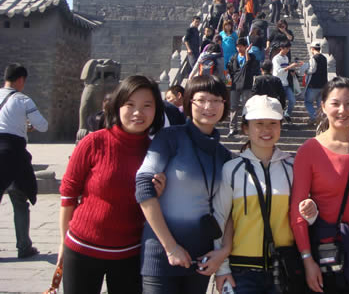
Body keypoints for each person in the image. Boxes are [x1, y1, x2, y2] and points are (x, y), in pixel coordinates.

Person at [59, 75, 165, 293]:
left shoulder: (157, 152)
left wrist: (160, 193)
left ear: (156, 111)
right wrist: (62, 242)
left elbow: (153, 205)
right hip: (82, 248)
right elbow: (68, 195)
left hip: (130, 253)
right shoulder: (93, 142)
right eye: (130, 104)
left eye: (147, 105)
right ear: (117, 106)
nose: (138, 112)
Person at [135, 75, 233, 294]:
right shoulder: (169, 138)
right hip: (161, 255)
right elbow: (143, 186)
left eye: (216, 100)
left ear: (224, 105)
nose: (208, 107)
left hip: (202, 259)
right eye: (201, 100)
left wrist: (224, 251)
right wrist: (171, 247)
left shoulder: (224, 156)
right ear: (189, 102)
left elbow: (229, 209)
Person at [291, 77, 349, 293]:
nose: (342, 110)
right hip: (326, 252)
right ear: (323, 106)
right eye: (335, 103)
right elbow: (297, 211)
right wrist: (307, 259)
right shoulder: (309, 150)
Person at [213, 95, 307, 293]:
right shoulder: (232, 169)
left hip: (284, 268)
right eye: (259, 124)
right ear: (246, 128)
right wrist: (222, 268)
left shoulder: (293, 167)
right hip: (242, 270)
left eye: (273, 123)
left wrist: (311, 212)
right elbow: (220, 218)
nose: (266, 129)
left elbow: (302, 217)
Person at [0, 63, 48, 259]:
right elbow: (42, 125)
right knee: (19, 199)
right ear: (21, 80)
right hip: (13, 154)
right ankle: (24, 246)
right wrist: (28, 126)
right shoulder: (23, 99)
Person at [227, 38, 260, 137]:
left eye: (241, 46)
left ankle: (245, 127)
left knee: (246, 106)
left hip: (247, 85)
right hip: (235, 85)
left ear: (246, 47)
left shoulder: (252, 57)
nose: (239, 48)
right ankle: (233, 128)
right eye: (237, 47)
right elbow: (230, 69)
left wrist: (246, 53)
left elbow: (250, 66)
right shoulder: (234, 58)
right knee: (233, 107)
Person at [272, 41, 303, 124]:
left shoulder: (286, 58)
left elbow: (287, 69)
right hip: (278, 84)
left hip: (286, 83)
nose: (288, 50)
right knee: (279, 103)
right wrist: (290, 67)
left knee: (292, 100)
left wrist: (293, 69)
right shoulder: (276, 58)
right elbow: (278, 71)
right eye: (286, 48)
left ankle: (287, 114)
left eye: (289, 49)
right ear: (281, 48)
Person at [303, 42, 328, 126]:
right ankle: (322, 120)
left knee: (308, 102)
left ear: (312, 49)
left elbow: (312, 70)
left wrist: (306, 71)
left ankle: (314, 117)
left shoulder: (313, 58)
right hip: (323, 85)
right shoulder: (324, 58)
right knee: (319, 105)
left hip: (313, 85)